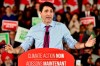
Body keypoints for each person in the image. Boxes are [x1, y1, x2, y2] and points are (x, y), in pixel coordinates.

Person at [5, 2, 96, 54]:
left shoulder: (61, 27)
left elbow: (72, 43)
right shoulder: (34, 29)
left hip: (57, 61)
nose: (49, 14)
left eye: (51, 11)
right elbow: (24, 47)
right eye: (46, 11)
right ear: (40, 13)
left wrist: (85, 45)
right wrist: (13, 50)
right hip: (40, 62)